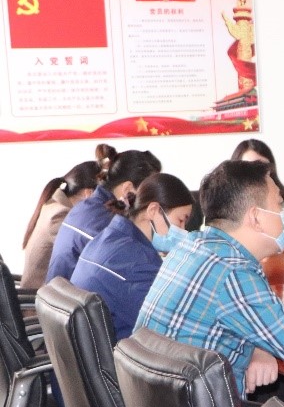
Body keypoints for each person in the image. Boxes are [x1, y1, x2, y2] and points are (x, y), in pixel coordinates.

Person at [136, 159, 284, 395]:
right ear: (256, 217)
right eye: (279, 204)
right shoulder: (234, 272)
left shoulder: (190, 245)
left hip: (159, 405)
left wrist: (258, 347)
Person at [70, 173, 194, 342]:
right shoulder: (137, 264)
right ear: (153, 210)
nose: (183, 230)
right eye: (180, 221)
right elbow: (169, 329)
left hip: (94, 345)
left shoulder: (110, 236)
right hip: (120, 352)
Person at [46, 149, 161, 284]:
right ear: (128, 189)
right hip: (74, 294)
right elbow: (138, 264)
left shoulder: (88, 207)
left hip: (65, 292)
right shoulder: (105, 221)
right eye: (149, 193)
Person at [21, 145, 113, 289]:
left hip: (47, 293)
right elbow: (89, 253)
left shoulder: (53, 205)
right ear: (89, 194)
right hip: (40, 297)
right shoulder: (60, 215)